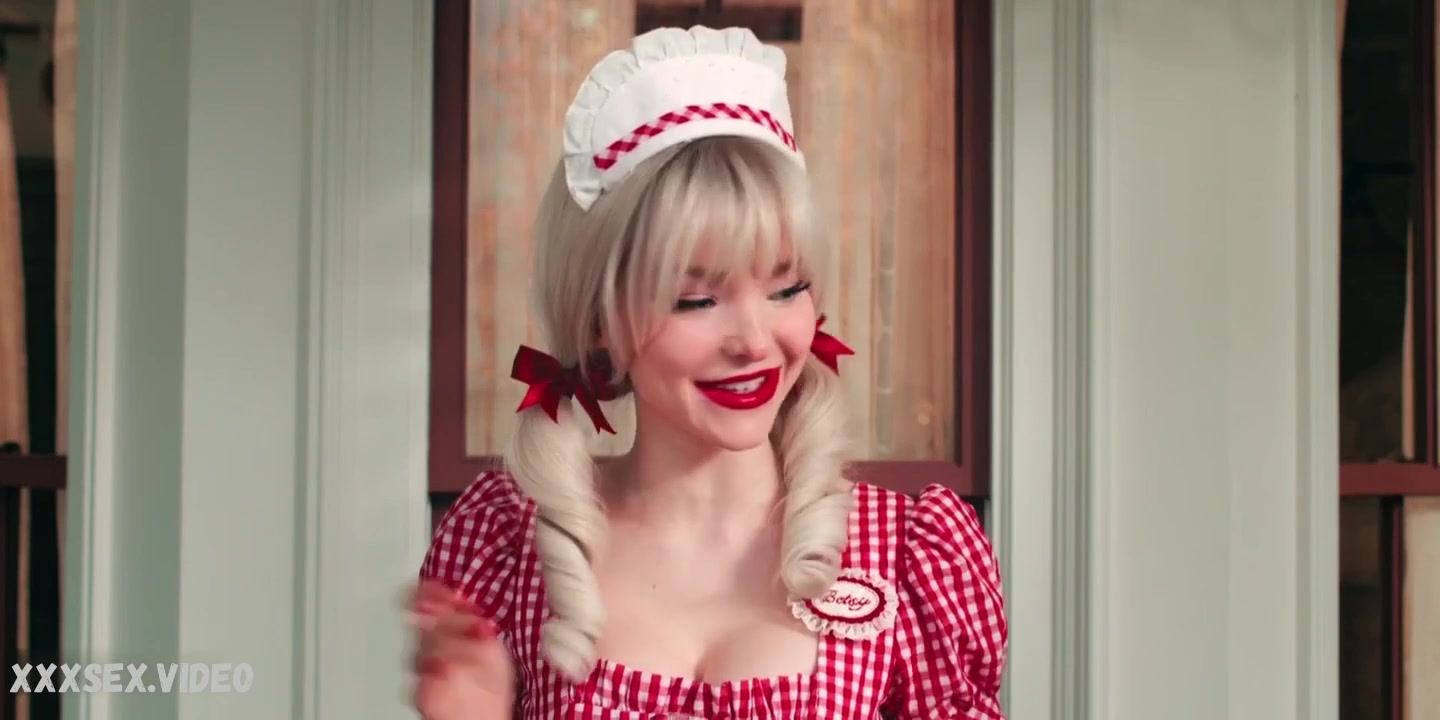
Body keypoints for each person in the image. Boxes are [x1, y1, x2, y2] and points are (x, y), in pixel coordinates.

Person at [407, 25, 1007, 720]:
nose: (754, 341)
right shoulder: (509, 545)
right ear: (600, 320)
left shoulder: (908, 554)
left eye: (786, 288)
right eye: (697, 300)